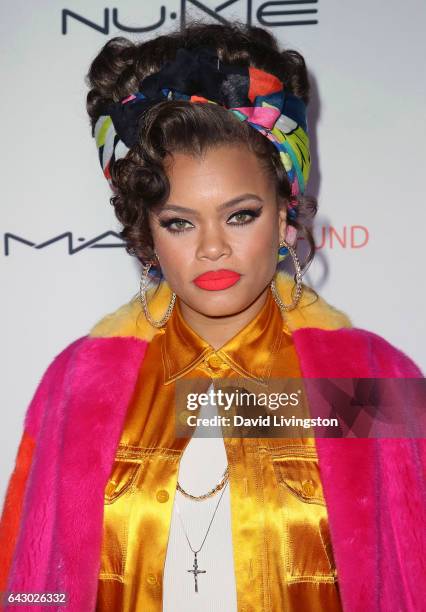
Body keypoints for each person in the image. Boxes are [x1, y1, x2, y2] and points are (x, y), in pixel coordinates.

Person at [0, 22, 424, 612]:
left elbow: (410, 578)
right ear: (147, 234)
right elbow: (30, 586)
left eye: (241, 215)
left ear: (283, 217)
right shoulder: (81, 383)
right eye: (179, 221)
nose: (212, 248)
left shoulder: (372, 378)